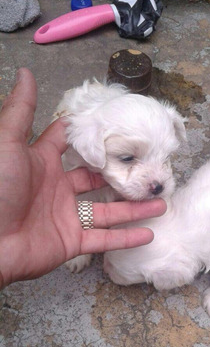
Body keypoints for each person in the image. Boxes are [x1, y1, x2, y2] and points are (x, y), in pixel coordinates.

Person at [0, 68, 166, 289]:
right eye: (127, 158)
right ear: (90, 146)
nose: (157, 181)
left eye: (165, 157)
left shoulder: (135, 137)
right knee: (78, 194)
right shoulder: (81, 142)